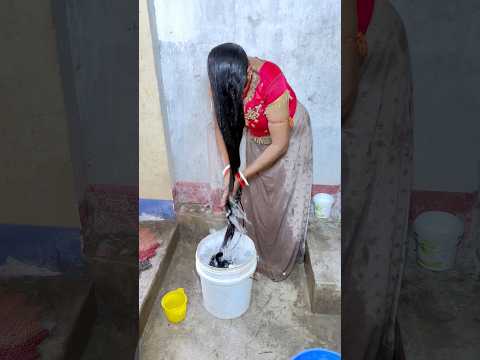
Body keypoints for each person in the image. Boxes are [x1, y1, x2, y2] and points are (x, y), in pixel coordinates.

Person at [342, 0, 413, 358]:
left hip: (374, 80)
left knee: (368, 229)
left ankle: (367, 341)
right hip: (359, 59)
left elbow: (342, 97)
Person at [207, 43, 313, 281]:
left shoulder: (270, 80)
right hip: (258, 138)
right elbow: (219, 126)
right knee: (255, 199)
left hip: (287, 139)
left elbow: (279, 144)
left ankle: (277, 262)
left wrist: (242, 176)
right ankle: (256, 256)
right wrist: (228, 172)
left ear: (248, 74)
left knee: (280, 201)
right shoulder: (220, 80)